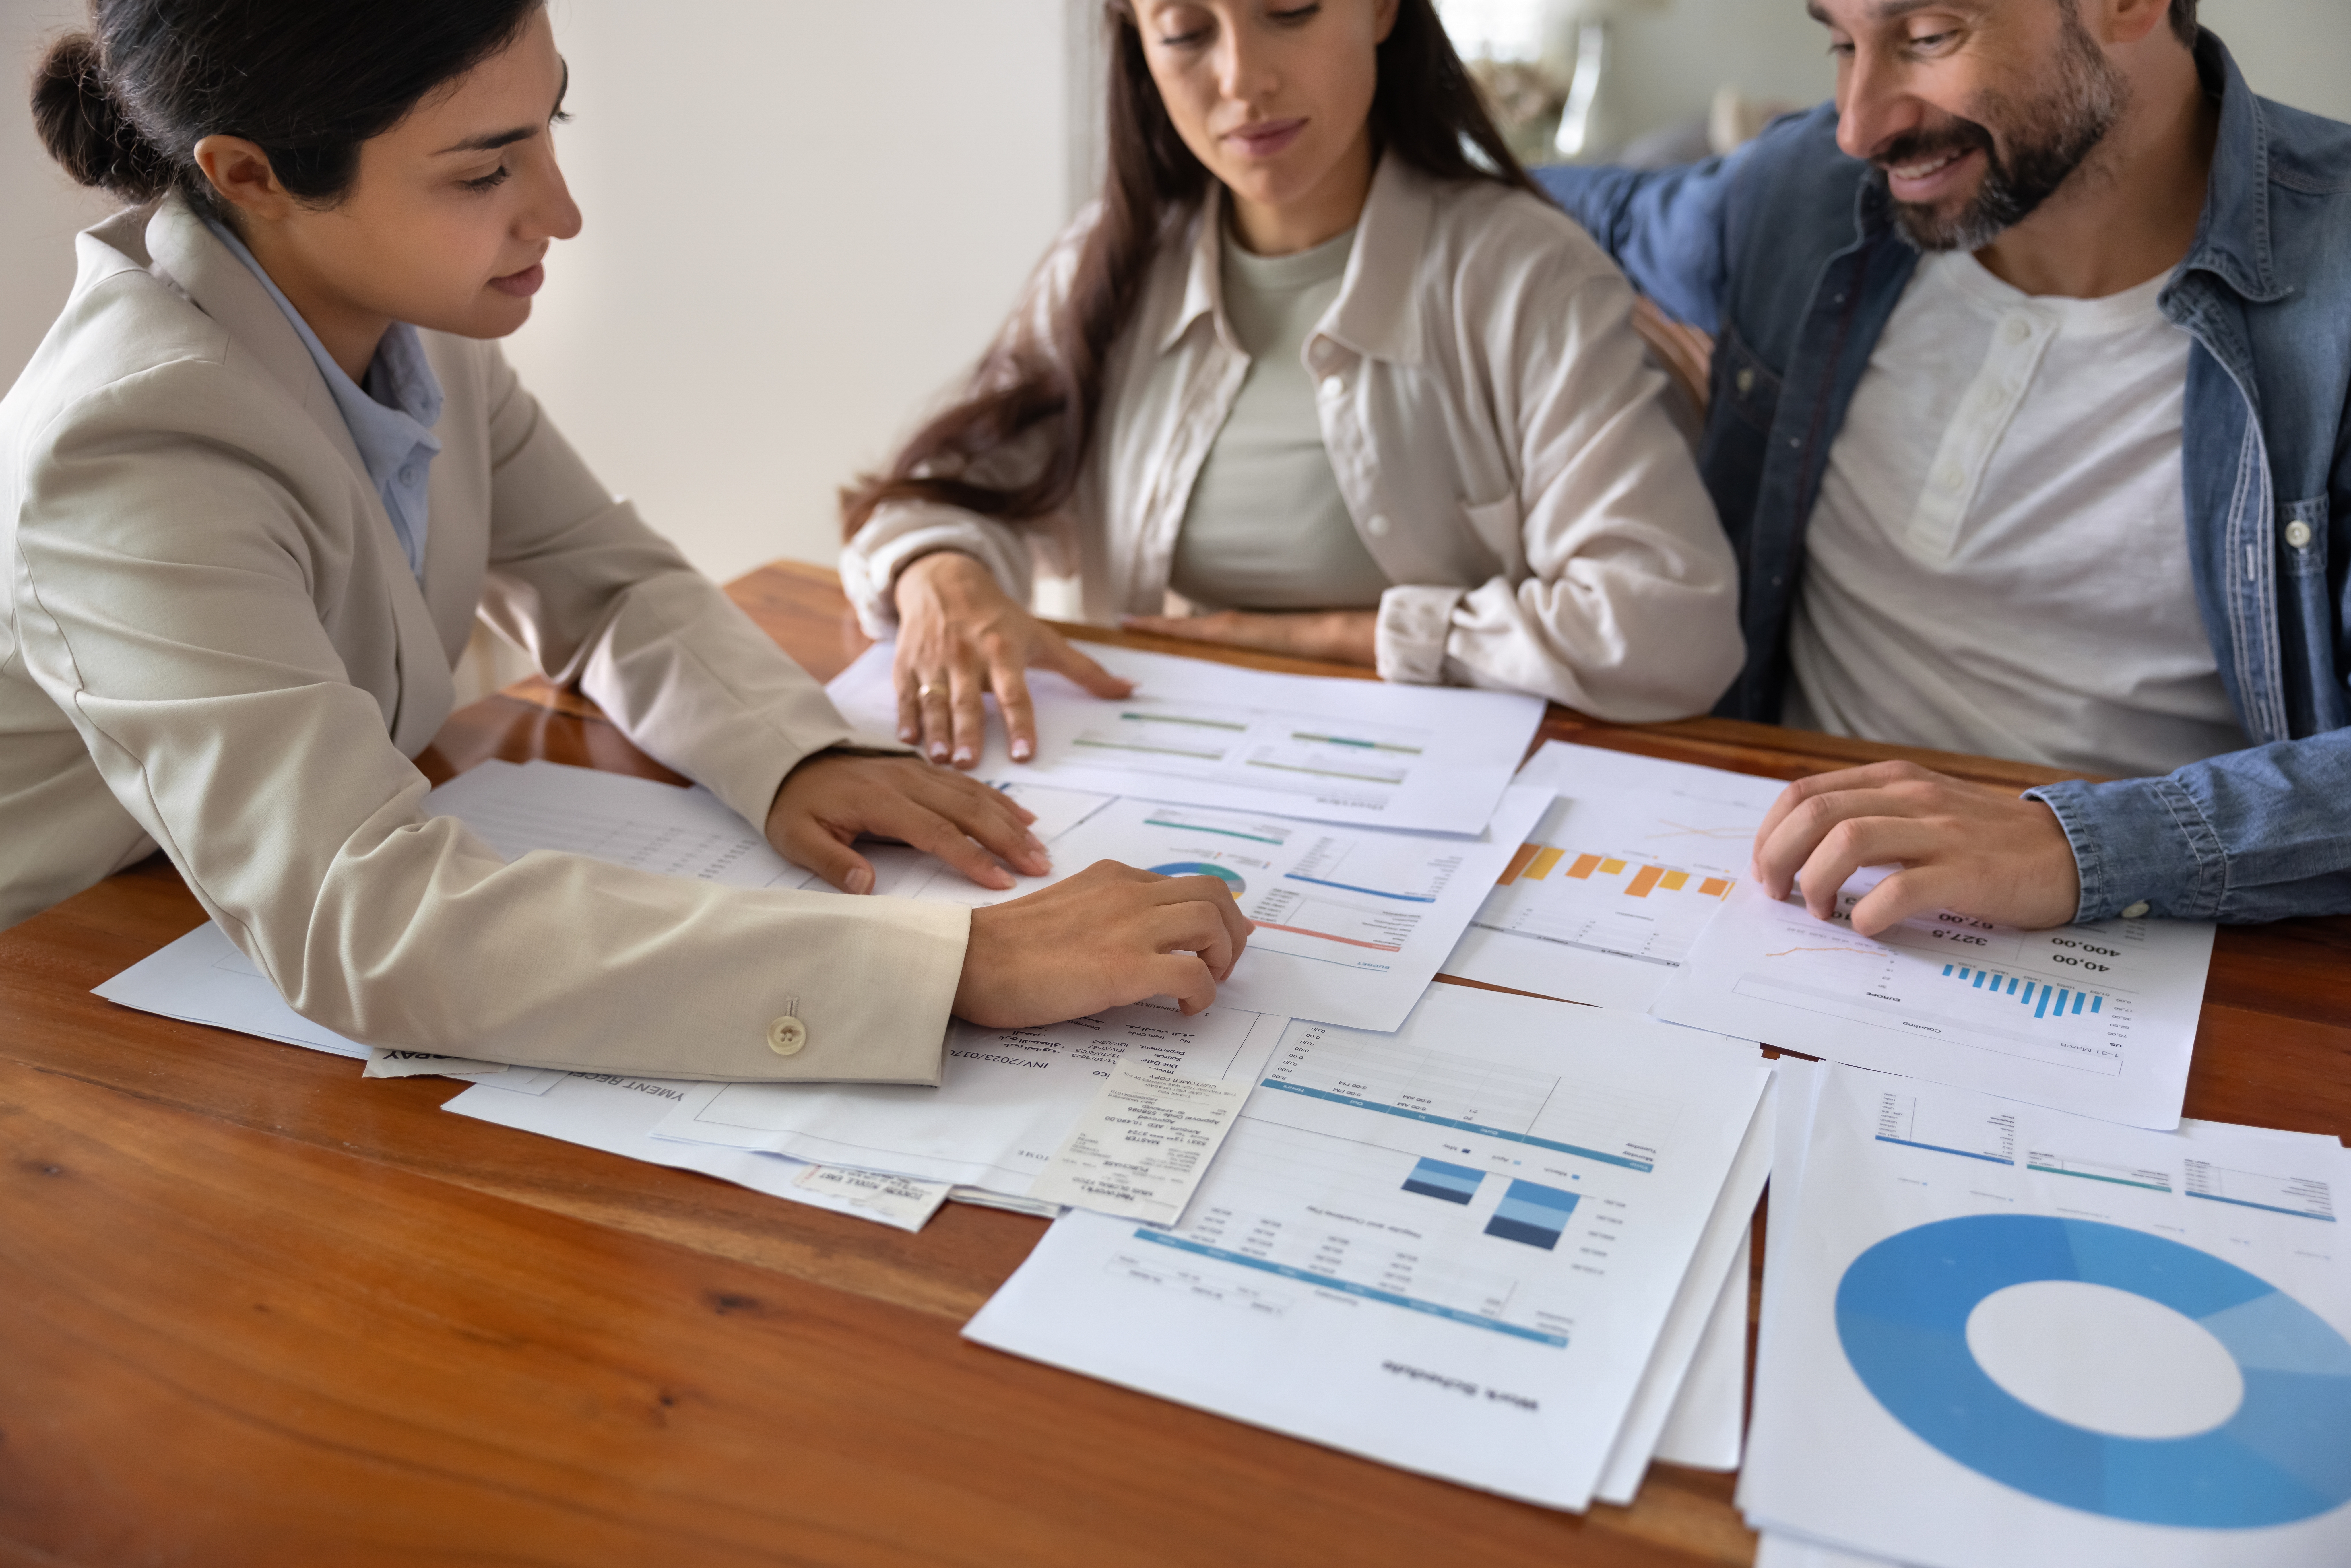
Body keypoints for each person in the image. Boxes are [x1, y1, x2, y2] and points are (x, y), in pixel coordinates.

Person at [0, 0, 1251, 1080]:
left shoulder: (404, 317)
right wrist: (952, 964)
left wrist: (793, 756)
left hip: (200, 922)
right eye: (484, 172)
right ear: (250, 175)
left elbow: (601, 578)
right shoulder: (130, 445)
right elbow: (370, 920)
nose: (562, 210)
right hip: (61, 996)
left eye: (554, 126)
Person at [1540, 0, 2350, 934]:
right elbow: (1557, 203)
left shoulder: (2333, 279)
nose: (1858, 125)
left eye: (1928, 38)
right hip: (1767, 894)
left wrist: (2075, 843)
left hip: (2140, 951)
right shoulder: (1806, 194)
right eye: (1842, 44)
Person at [840, 0, 1744, 770]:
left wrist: (1335, 636)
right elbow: (933, 499)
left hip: (1445, 794)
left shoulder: (1527, 276)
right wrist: (939, 571)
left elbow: (1670, 629)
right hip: (1169, 777)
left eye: (1290, 10)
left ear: (1384, 7)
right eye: (1188, 31)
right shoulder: (1111, 264)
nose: (1242, 81)